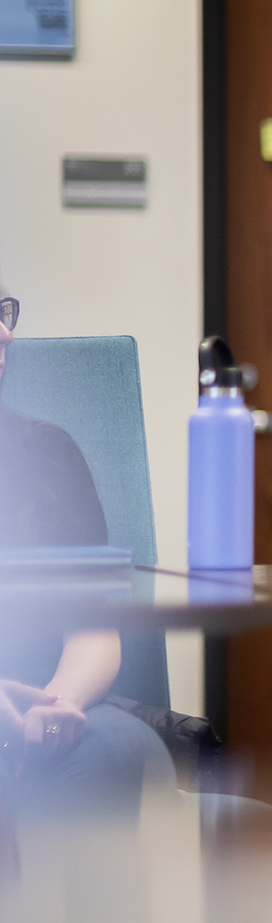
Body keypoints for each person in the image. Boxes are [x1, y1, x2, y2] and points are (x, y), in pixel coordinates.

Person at [0, 289, 173, 814]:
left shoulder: (45, 455)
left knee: (95, 756)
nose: (6, 333)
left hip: (51, 696)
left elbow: (93, 633)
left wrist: (55, 707)